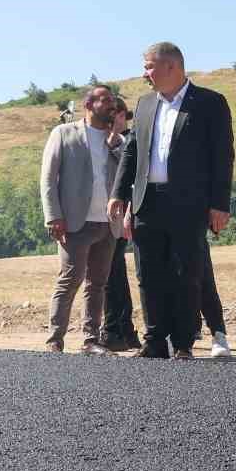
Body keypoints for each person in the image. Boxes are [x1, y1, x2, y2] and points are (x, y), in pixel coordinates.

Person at [108, 42, 234, 360]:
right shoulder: (146, 104)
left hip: (189, 204)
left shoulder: (209, 102)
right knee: (147, 273)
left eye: (149, 66)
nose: (145, 73)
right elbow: (132, 151)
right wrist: (119, 194)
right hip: (147, 202)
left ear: (172, 67)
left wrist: (219, 204)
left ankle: (182, 343)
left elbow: (223, 157)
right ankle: (154, 340)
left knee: (187, 272)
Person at [39, 85, 123, 355]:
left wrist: (115, 143)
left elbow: (126, 176)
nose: (112, 105)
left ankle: (91, 340)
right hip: (75, 222)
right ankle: (55, 338)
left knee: (97, 284)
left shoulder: (117, 140)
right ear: (89, 104)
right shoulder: (64, 133)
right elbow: (48, 178)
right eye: (106, 100)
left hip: (107, 223)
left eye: (113, 100)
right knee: (70, 279)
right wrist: (53, 216)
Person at [99, 99, 142, 353]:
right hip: (105, 214)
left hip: (118, 214)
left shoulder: (127, 141)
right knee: (112, 273)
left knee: (110, 274)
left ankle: (116, 328)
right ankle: (122, 328)